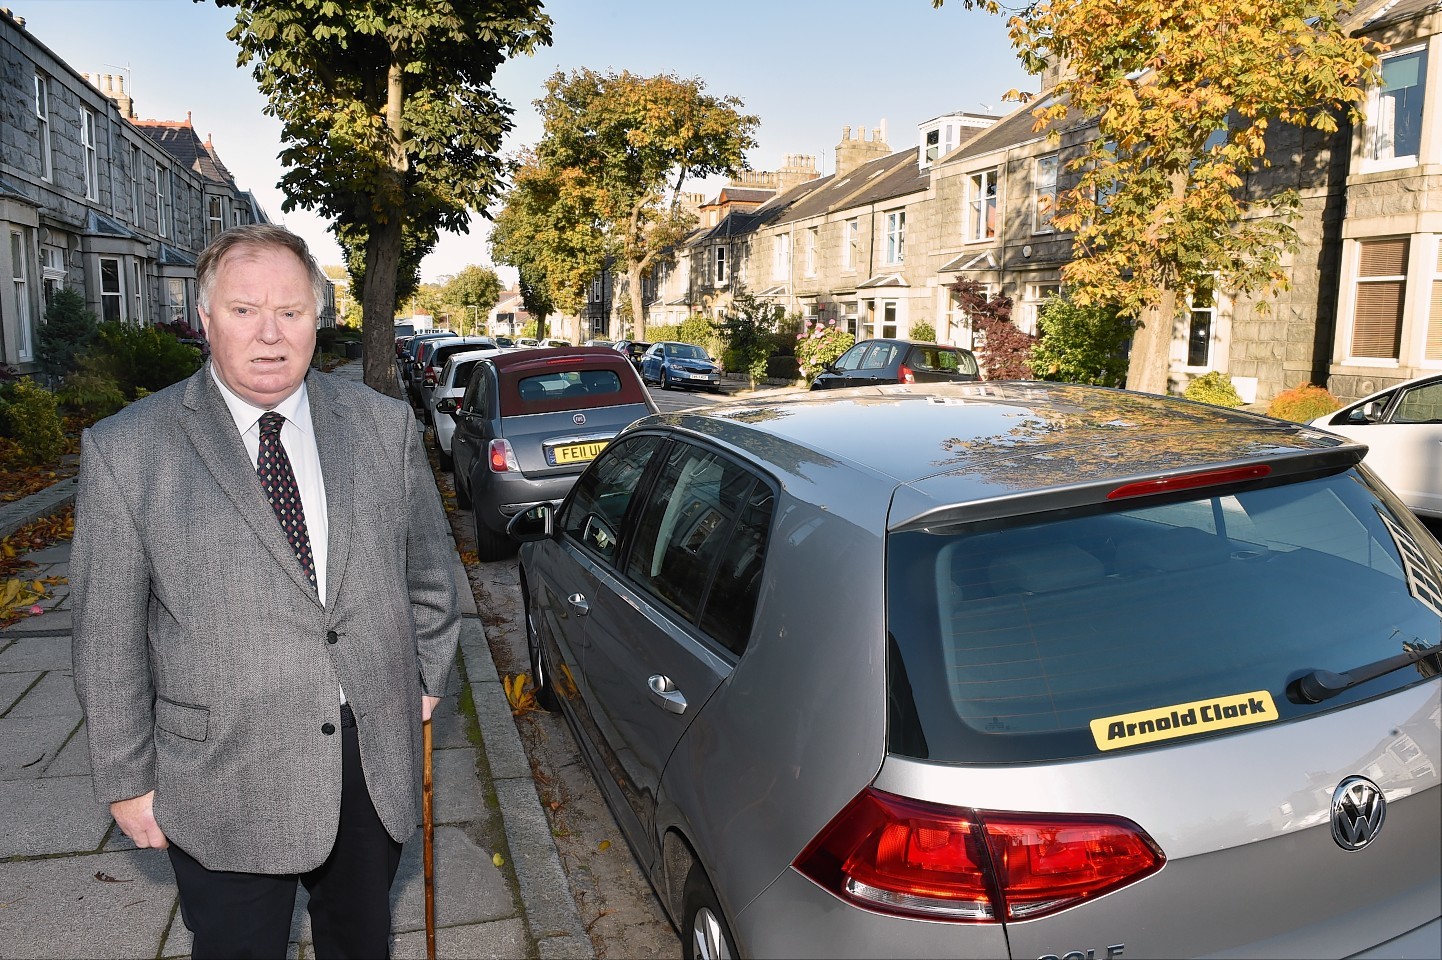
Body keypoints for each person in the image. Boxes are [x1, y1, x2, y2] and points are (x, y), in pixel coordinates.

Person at [71, 224, 460, 959]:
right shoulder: (128, 450)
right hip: (222, 772)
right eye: (245, 310)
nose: (270, 335)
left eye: (291, 312)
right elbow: (105, 638)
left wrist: (424, 680)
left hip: (367, 757)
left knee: (361, 943)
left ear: (318, 320)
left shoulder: (381, 427)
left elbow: (430, 571)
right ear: (207, 318)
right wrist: (126, 780)